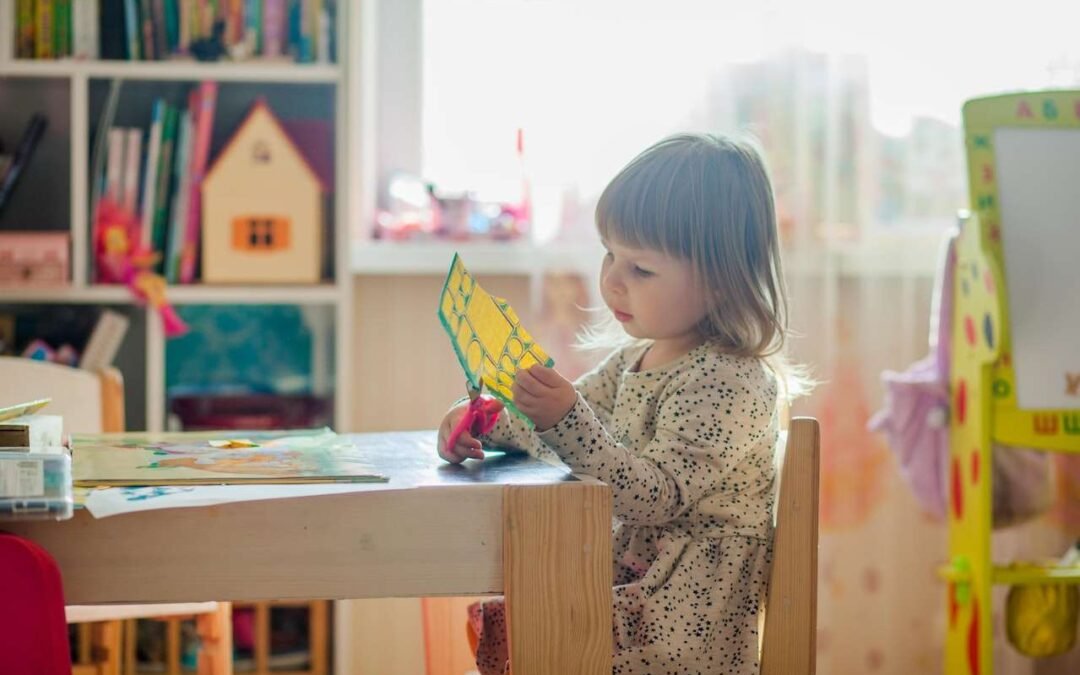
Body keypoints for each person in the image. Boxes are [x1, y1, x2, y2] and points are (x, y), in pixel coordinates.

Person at [438, 132, 806, 674]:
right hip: (634, 594)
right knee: (528, 611)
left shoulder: (732, 382)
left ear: (723, 281)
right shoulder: (638, 358)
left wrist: (565, 419)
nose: (612, 281)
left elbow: (653, 496)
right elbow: (567, 430)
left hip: (679, 628)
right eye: (611, 255)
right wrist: (491, 421)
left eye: (642, 269)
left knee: (540, 623)